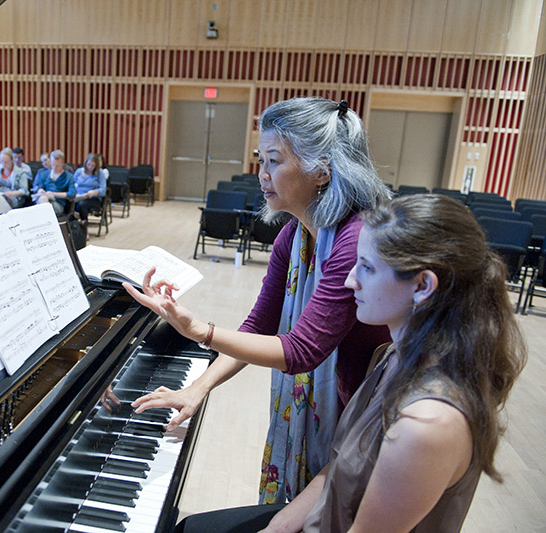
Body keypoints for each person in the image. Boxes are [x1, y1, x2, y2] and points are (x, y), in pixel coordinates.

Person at [174, 194, 527, 532]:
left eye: (368, 268)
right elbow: (338, 466)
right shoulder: (391, 355)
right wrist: (279, 525)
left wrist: (197, 330)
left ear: (422, 286)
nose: (349, 279)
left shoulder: (427, 424)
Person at [123, 97, 392, 504]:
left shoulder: (355, 239)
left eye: (274, 161)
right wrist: (199, 387)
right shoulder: (295, 235)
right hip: (339, 412)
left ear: (322, 170)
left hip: (366, 423)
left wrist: (199, 331)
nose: (262, 174)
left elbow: (301, 351)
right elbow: (258, 327)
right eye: (260, 159)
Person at [33, 149, 75, 216]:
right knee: (42, 199)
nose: (54, 168)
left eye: (57, 166)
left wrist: (54, 194)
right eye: (53, 165)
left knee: (42, 202)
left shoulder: (69, 177)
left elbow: (72, 194)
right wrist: (40, 190)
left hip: (58, 203)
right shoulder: (44, 174)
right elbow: (40, 186)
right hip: (44, 199)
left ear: (63, 163)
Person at [73, 153, 106, 224]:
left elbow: (103, 190)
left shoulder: (100, 173)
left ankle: (84, 226)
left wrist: (94, 192)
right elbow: (72, 184)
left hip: (93, 198)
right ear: (85, 163)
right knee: (69, 203)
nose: (90, 167)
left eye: (93, 166)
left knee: (82, 205)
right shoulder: (79, 172)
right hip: (78, 196)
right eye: (88, 165)